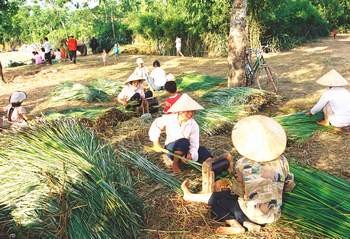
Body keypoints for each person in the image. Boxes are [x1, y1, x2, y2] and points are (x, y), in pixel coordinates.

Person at [181, 115, 295, 235]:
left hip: (252, 213)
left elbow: (238, 192)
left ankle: (235, 225)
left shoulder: (243, 163)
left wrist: (226, 184)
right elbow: (289, 185)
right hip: (273, 215)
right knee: (238, 202)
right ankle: (248, 225)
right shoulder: (282, 160)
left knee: (217, 199)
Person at [149, 93, 212, 173]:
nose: (191, 114)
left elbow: (194, 143)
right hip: (171, 149)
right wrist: (156, 143)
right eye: (188, 111)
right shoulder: (170, 118)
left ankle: (210, 167)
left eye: (192, 111)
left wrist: (190, 155)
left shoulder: (193, 124)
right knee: (183, 141)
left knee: (203, 151)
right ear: (180, 111)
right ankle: (175, 164)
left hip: (185, 149)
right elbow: (156, 124)